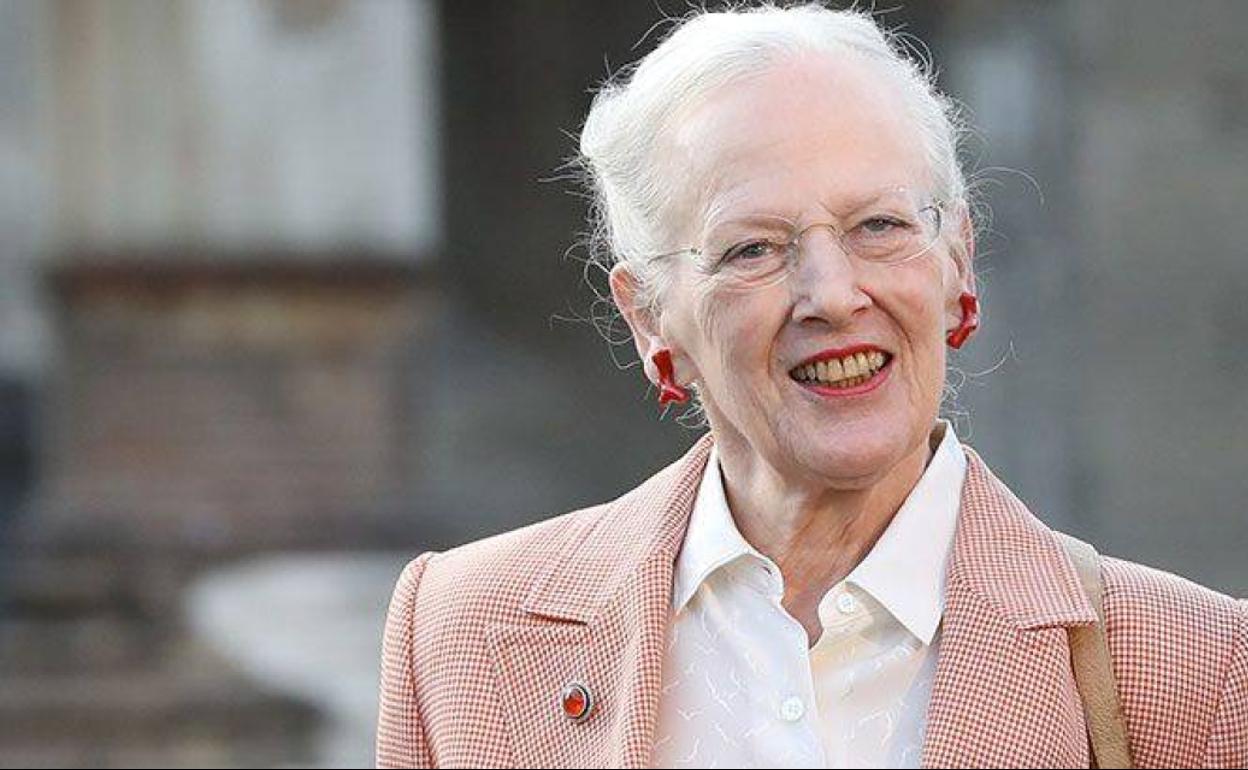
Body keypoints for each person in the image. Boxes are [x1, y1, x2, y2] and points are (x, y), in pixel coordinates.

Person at [376, 4, 1247, 768]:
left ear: (957, 264)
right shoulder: (461, 636)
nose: (831, 295)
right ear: (650, 316)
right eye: (752, 248)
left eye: (879, 226)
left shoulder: (1193, 669)